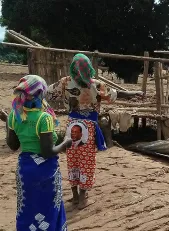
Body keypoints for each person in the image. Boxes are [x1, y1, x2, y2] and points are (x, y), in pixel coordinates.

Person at [5, 74, 72, 231]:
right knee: (48, 211)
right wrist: (66, 142)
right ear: (40, 93)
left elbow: (12, 145)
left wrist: (7, 123)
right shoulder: (44, 118)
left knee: (26, 211)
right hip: (45, 172)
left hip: (25, 170)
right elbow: (47, 151)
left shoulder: (14, 115)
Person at [44, 53, 117, 209]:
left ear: (73, 67)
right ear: (89, 67)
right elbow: (112, 97)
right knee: (86, 161)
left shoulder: (65, 82)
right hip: (89, 127)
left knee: (73, 159)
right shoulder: (96, 84)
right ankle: (83, 197)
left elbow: (48, 93)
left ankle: (75, 196)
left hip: (72, 125)